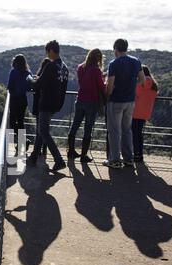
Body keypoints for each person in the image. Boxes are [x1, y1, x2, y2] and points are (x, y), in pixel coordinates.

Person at [27, 40, 68, 172]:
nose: (47, 54)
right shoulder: (65, 68)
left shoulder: (51, 66)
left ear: (51, 51)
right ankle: (33, 157)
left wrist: (30, 79)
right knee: (41, 130)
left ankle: (59, 160)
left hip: (46, 103)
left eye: (47, 51)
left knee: (43, 131)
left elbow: (37, 85)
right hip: (57, 104)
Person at [104, 38, 145, 169]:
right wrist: (131, 85)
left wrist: (106, 95)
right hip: (130, 101)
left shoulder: (114, 63)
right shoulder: (136, 61)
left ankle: (115, 160)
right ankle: (128, 159)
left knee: (114, 131)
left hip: (116, 101)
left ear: (115, 49)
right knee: (127, 130)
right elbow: (142, 80)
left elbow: (110, 87)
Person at [67, 48, 106, 163]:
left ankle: (71, 151)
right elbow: (101, 87)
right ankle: (84, 155)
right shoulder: (96, 70)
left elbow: (82, 82)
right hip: (91, 102)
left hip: (80, 100)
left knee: (74, 126)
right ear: (98, 58)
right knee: (87, 129)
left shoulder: (80, 68)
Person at [132, 65, 159, 162]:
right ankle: (140, 155)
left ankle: (136, 155)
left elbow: (133, 91)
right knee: (139, 134)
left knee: (134, 134)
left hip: (135, 112)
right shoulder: (153, 85)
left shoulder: (141, 83)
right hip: (145, 114)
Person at [7, 54, 32, 154]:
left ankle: (23, 141)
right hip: (23, 99)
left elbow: (9, 86)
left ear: (15, 62)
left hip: (14, 99)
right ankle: (23, 141)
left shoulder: (13, 72)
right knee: (21, 121)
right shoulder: (28, 72)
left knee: (13, 122)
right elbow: (29, 87)